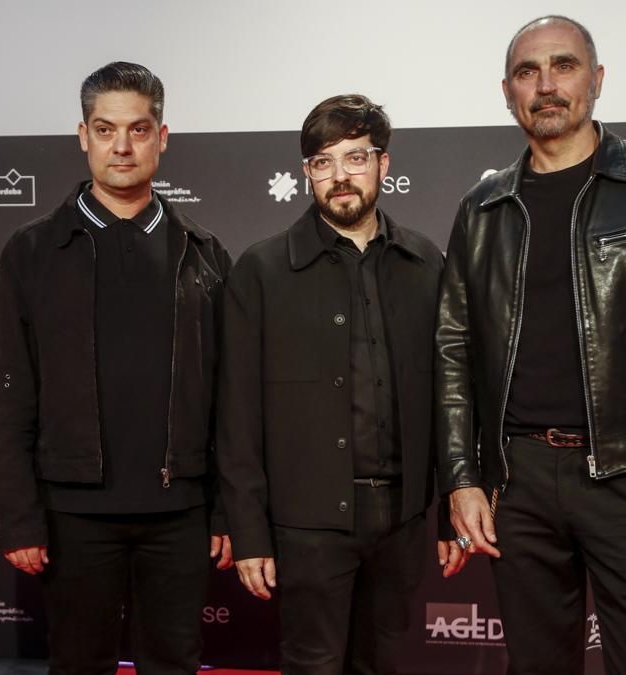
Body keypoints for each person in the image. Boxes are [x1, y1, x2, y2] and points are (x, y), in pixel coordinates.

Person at [436, 15, 626, 675]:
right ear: (507, 91)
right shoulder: (482, 207)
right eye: (528, 72)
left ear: (596, 80)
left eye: (564, 65)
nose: (546, 85)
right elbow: (453, 348)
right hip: (518, 481)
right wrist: (463, 477)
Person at [0, 61, 233, 675]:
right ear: (83, 135)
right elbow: (9, 395)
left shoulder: (203, 253)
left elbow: (230, 400)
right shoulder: (33, 251)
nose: (122, 146)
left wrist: (227, 511)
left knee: (174, 662)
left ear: (162, 136)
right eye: (105, 128)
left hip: (179, 512)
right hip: (73, 516)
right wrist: (17, 516)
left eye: (139, 130)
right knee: (78, 663)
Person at [218, 94, 454, 675]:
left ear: (383, 165)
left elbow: (451, 399)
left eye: (355, 157)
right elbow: (236, 415)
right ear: (307, 173)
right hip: (305, 524)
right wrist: (247, 533)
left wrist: (450, 511)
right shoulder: (263, 270)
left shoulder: (426, 264)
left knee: (386, 664)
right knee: (314, 665)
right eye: (323, 162)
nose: (340, 176)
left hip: (402, 520)